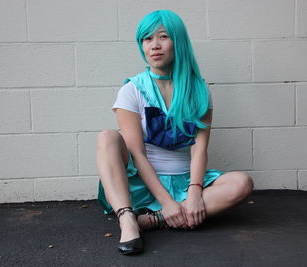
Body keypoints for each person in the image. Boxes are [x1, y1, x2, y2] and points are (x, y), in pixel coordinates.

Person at [96, 9, 253, 255]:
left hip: (183, 180)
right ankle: (127, 219)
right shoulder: (132, 90)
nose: (154, 46)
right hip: (143, 184)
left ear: (177, 41)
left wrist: (195, 192)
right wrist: (167, 201)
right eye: (147, 39)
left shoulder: (198, 89)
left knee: (242, 183)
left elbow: (200, 148)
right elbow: (136, 153)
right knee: (107, 137)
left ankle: (152, 220)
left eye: (163, 37)